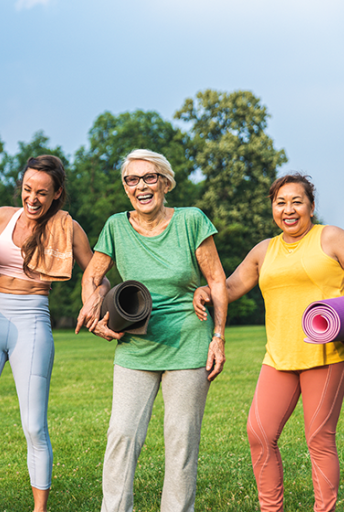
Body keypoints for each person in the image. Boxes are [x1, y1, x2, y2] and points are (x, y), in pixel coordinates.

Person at [193, 173, 344, 512]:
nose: (288, 209)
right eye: (280, 203)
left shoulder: (331, 238)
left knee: (319, 438)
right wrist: (205, 291)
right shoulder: (263, 251)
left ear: (311, 207)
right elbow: (231, 287)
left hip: (327, 354)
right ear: (272, 208)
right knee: (259, 433)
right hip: (279, 357)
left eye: (297, 201)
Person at [0, 155, 109, 512]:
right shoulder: (1, 217)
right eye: (27, 189)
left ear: (57, 194)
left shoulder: (69, 228)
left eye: (42, 192)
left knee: (34, 427)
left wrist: (96, 298)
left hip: (32, 320)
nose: (32, 199)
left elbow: (98, 276)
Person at [76, 149, 228, 512]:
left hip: (188, 341)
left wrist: (219, 337)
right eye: (132, 179)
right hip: (135, 345)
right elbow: (92, 276)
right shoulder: (116, 226)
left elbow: (217, 279)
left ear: (165, 183)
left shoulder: (191, 220)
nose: (141, 186)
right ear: (125, 187)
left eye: (149, 177)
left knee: (181, 442)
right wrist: (96, 318)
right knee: (122, 435)